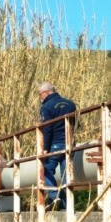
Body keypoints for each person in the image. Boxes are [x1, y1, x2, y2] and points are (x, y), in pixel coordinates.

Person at [37, 82, 76, 210]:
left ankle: (54, 196)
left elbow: (47, 128)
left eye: (40, 94)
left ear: (46, 92)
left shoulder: (46, 107)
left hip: (55, 145)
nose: (39, 98)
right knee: (66, 176)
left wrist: (45, 148)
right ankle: (67, 207)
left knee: (45, 170)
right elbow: (75, 124)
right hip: (69, 144)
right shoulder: (70, 104)